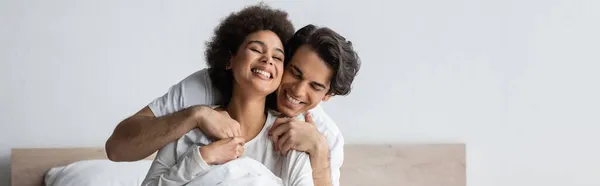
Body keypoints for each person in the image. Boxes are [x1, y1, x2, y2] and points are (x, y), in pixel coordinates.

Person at [105, 5, 361, 186]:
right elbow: (118, 150)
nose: (297, 90)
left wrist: (317, 150)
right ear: (230, 59)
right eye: (295, 72)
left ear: (329, 95)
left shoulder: (310, 139)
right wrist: (201, 148)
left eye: (277, 57)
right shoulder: (195, 106)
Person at [140, 4, 313, 186]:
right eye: (256, 49)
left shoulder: (290, 136)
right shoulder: (190, 128)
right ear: (230, 59)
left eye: (277, 57)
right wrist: (203, 158)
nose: (268, 59)